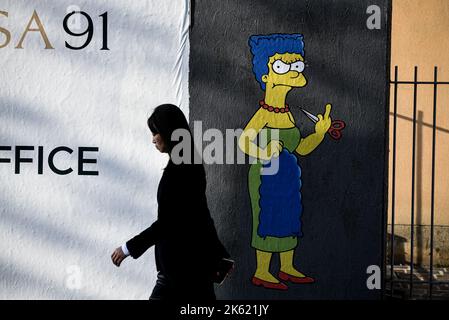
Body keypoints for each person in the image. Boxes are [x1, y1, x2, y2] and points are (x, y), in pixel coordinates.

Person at [238, 34, 332, 290]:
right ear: (266, 76)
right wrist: (264, 150)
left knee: (289, 217)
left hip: (289, 176)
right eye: (282, 65)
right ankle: (262, 271)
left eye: (297, 64)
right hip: (264, 176)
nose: (292, 70)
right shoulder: (263, 114)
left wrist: (320, 134)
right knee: (266, 218)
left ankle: (287, 267)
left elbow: (300, 147)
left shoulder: (289, 115)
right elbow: (244, 142)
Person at [111, 104, 230, 300]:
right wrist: (218, 252)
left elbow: (169, 222)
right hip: (187, 271)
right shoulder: (187, 163)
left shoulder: (182, 168)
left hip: (181, 272)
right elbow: (200, 213)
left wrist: (128, 248)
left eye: (155, 132)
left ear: (169, 132)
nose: (153, 139)